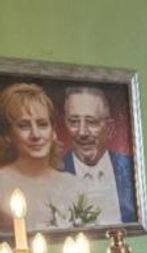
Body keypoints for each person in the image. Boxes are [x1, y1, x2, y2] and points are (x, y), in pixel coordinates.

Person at [0, 83, 85, 230]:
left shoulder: (73, 185)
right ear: (8, 135)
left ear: (53, 131)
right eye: (24, 126)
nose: (36, 135)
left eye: (42, 124)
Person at [62, 86, 135, 225]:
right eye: (74, 121)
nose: (82, 132)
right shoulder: (54, 172)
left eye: (92, 122)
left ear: (110, 128)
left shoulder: (131, 168)